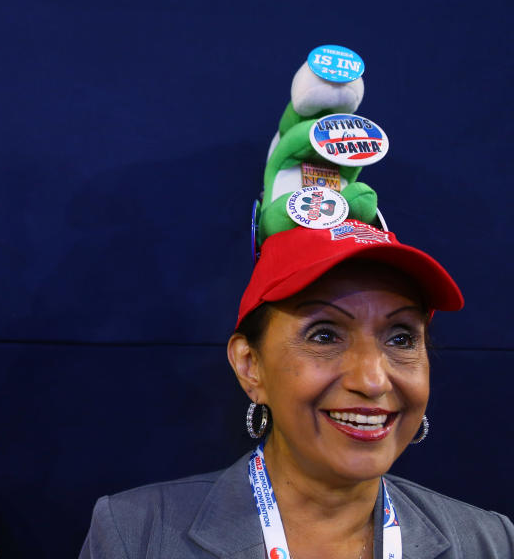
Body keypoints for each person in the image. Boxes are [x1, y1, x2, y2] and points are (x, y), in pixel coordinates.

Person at [80, 220, 514, 558]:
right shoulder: (135, 534)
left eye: (401, 338)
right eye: (325, 336)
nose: (372, 380)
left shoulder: (490, 541)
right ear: (251, 366)